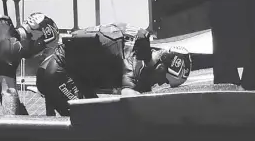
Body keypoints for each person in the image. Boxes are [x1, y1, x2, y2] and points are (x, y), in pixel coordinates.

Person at [35, 23, 192, 116]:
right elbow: (129, 99)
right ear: (161, 66)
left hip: (65, 72)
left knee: (95, 114)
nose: (159, 83)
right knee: (89, 121)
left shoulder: (141, 46)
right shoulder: (136, 61)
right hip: (57, 72)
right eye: (163, 79)